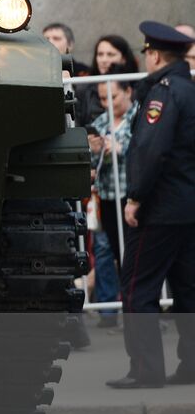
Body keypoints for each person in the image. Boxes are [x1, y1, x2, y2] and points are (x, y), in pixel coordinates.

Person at [106, 22, 195, 389]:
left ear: (155, 55)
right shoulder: (189, 90)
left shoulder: (163, 93)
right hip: (188, 207)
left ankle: (146, 370)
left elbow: (150, 150)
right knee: (188, 291)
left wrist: (136, 198)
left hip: (160, 208)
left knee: (137, 289)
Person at [87, 80, 134, 322]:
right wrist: (95, 150)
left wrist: (120, 148)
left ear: (128, 91)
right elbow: (93, 167)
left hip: (132, 196)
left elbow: (146, 150)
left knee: (136, 255)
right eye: (104, 99)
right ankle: (122, 308)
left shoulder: (139, 117)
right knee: (116, 252)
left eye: (113, 97)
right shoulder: (102, 122)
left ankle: (141, 309)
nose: (109, 104)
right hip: (107, 196)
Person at [77, 35, 139, 127]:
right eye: (100, 54)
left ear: (124, 59)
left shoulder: (140, 88)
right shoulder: (83, 89)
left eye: (110, 54)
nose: (104, 60)